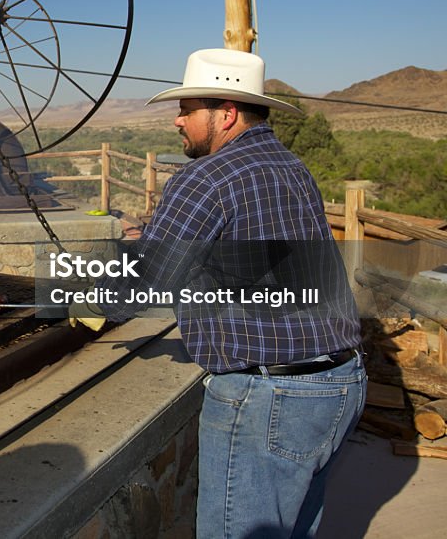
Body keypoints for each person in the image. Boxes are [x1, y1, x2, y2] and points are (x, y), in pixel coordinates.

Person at [71, 48, 365, 539]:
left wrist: (87, 300)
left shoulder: (205, 178)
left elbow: (147, 278)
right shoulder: (292, 167)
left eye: (187, 110)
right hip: (339, 381)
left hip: (270, 397)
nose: (177, 121)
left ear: (226, 112)